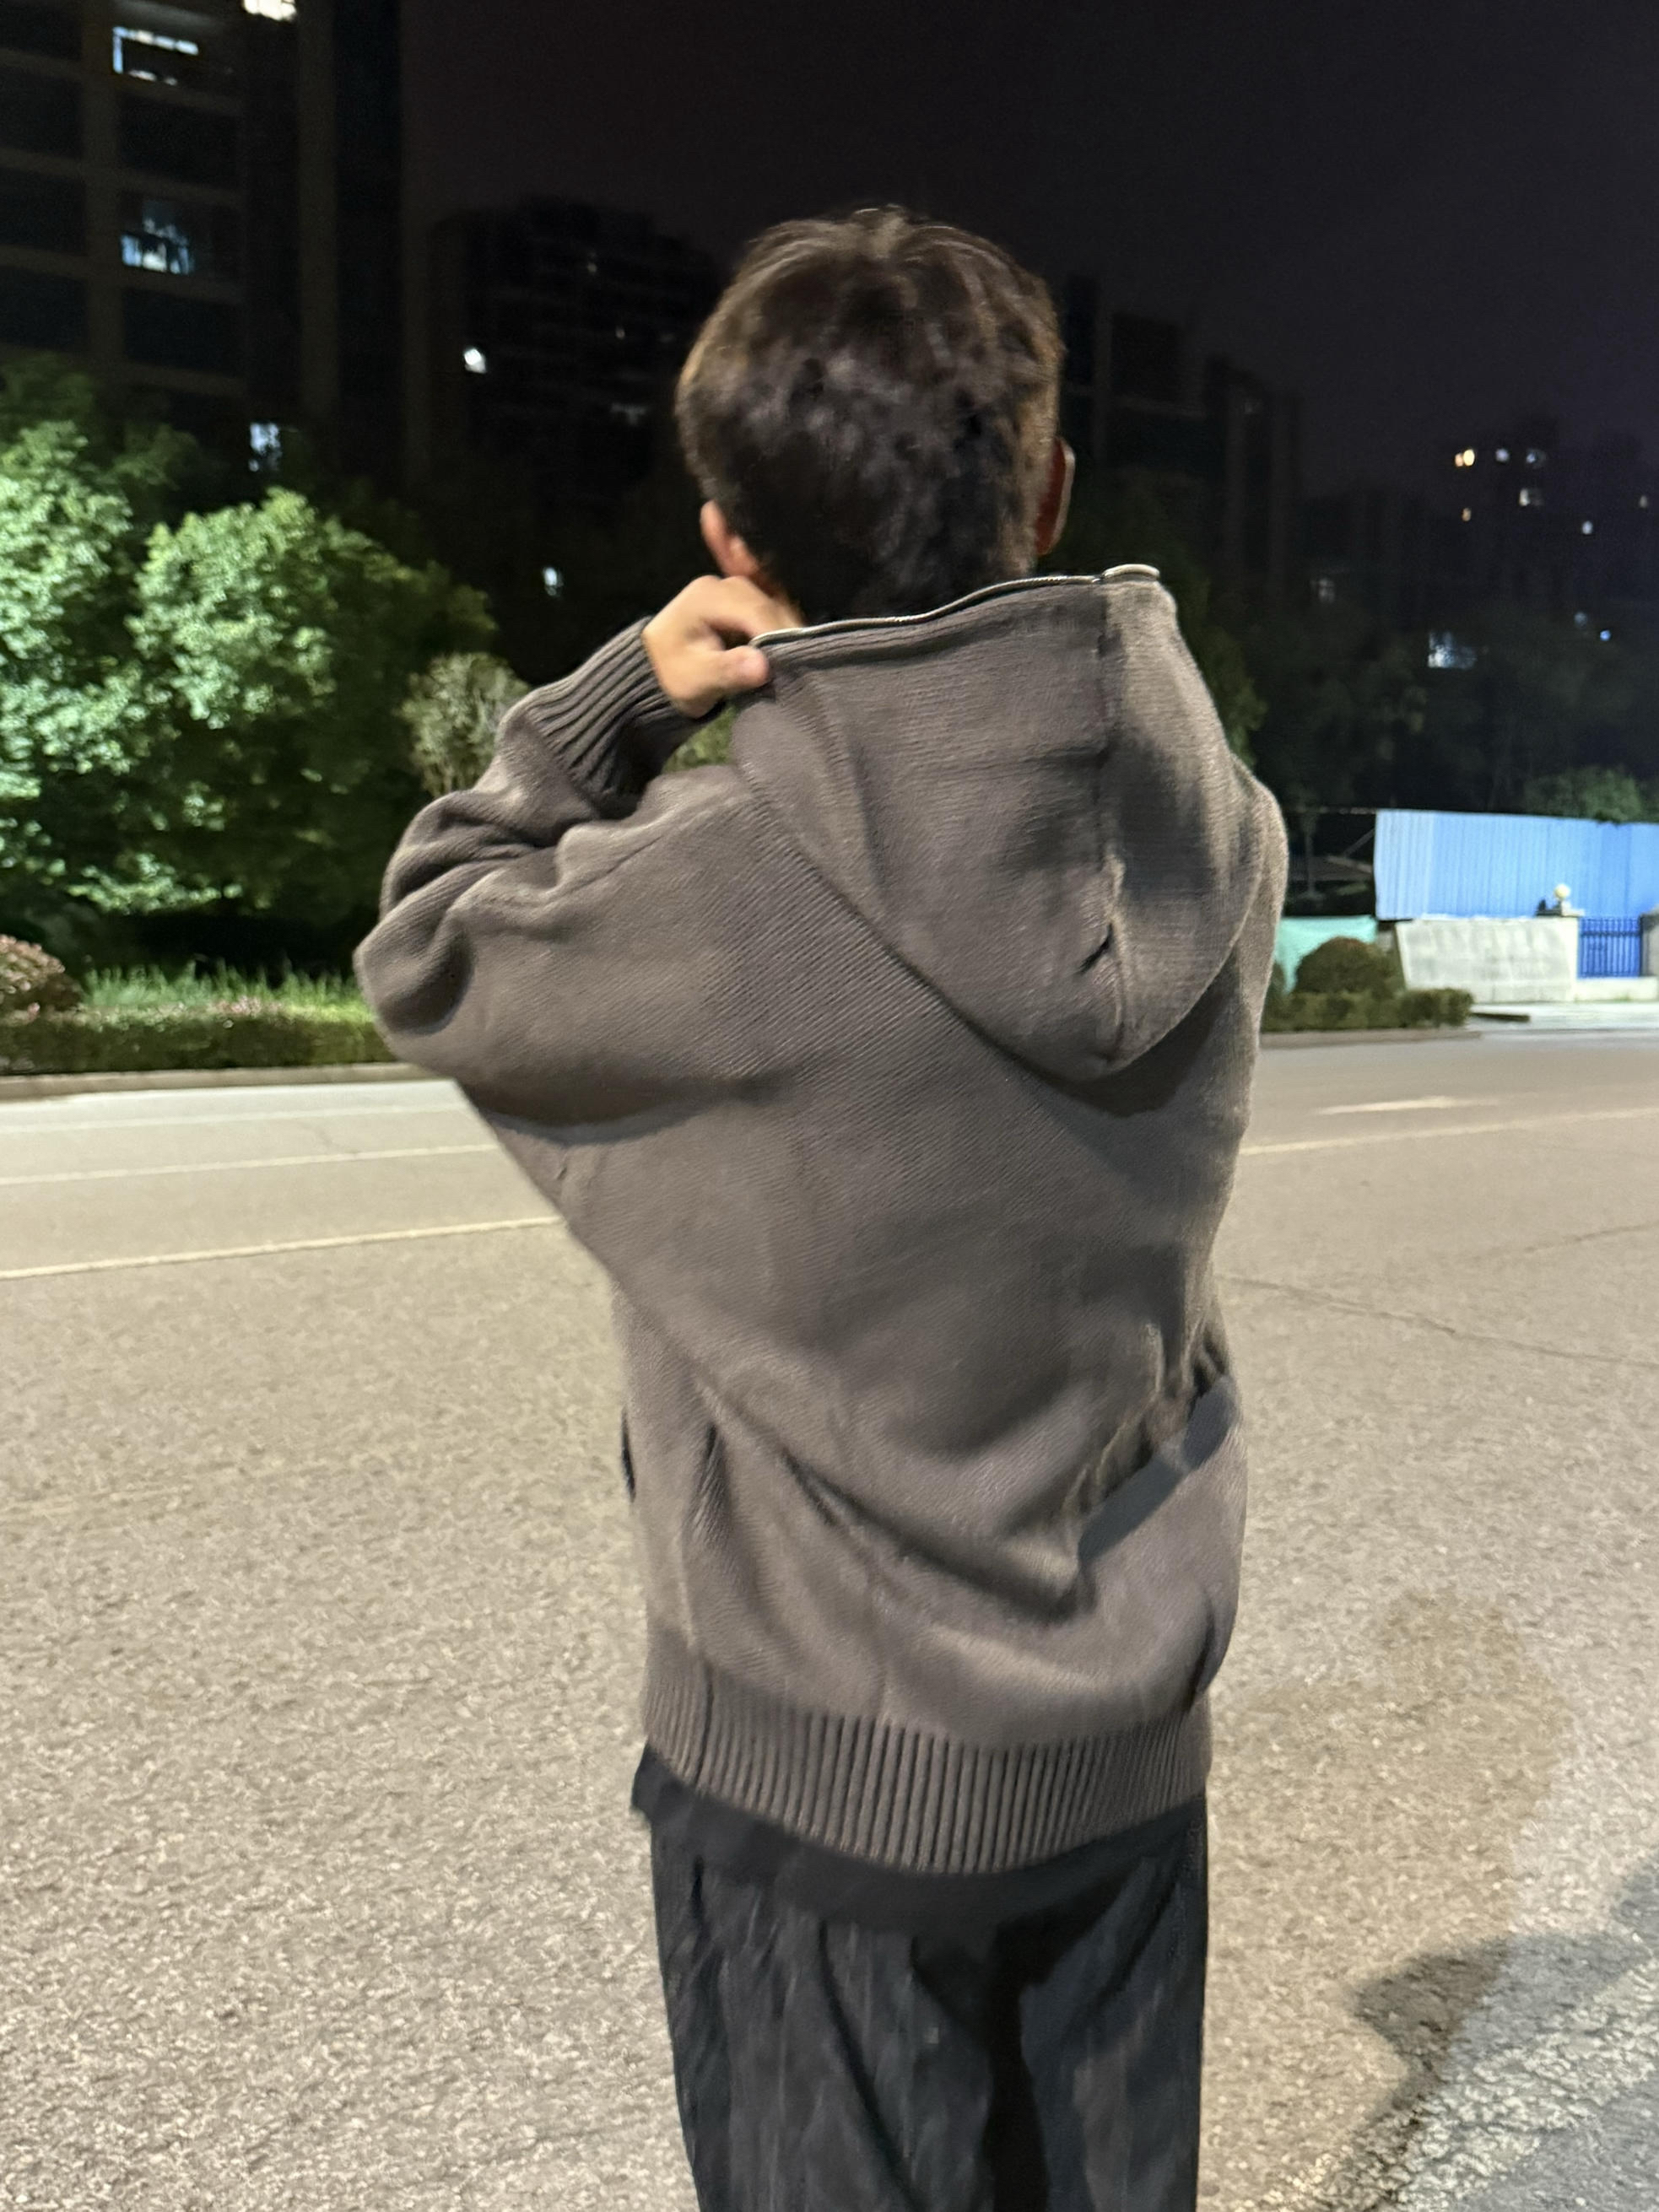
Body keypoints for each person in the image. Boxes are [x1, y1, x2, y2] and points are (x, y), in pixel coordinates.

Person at [355, 206, 1289, 2212]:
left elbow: (428, 938)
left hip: (824, 1796)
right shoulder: (1213, 826)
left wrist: (615, 699)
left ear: (729, 540)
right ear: (1049, 489)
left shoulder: (718, 887)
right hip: (1125, 1764)